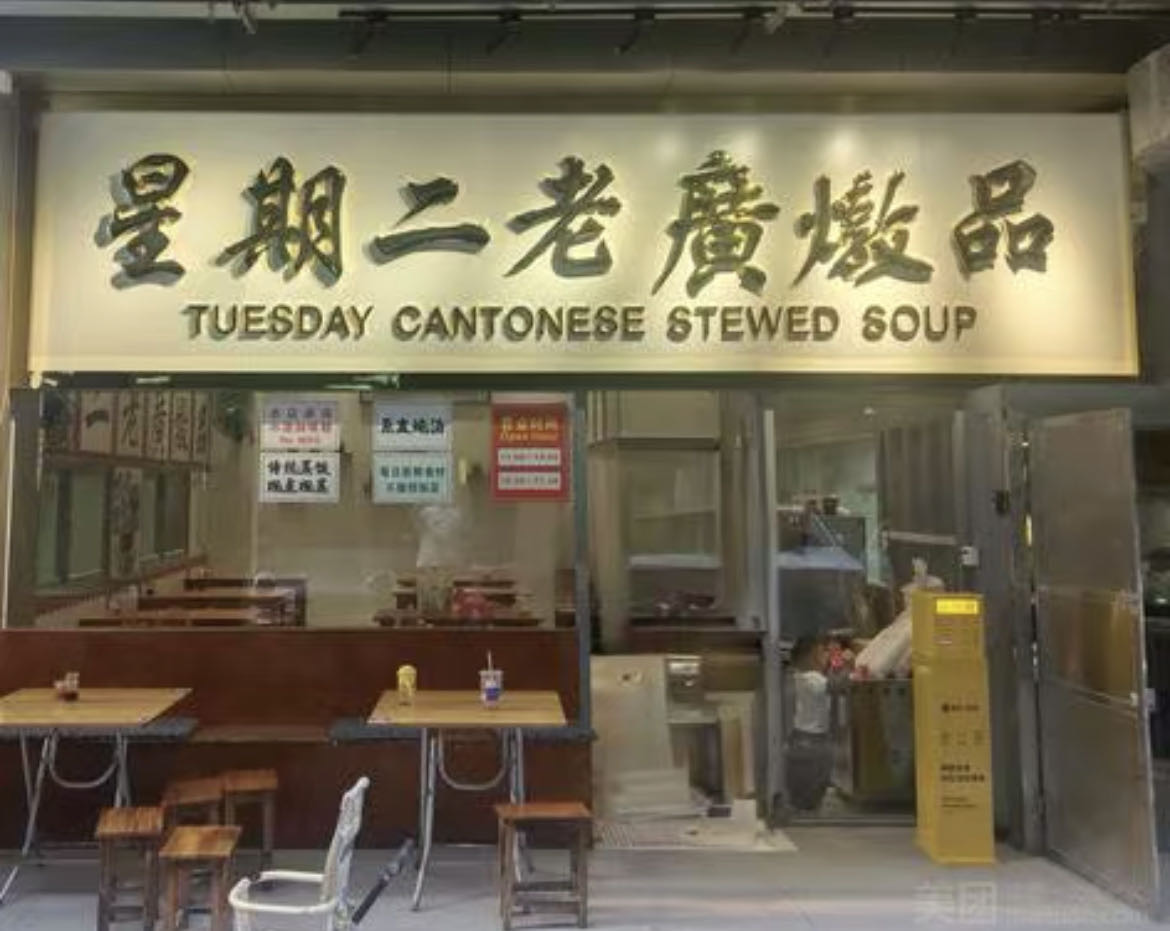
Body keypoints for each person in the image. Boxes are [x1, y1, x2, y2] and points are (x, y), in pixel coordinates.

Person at [787, 636, 834, 811]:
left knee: (802, 791)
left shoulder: (797, 677)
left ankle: (803, 811)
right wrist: (848, 666)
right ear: (811, 656)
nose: (827, 657)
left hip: (800, 739)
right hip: (813, 742)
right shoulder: (812, 678)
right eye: (823, 652)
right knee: (813, 788)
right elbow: (836, 686)